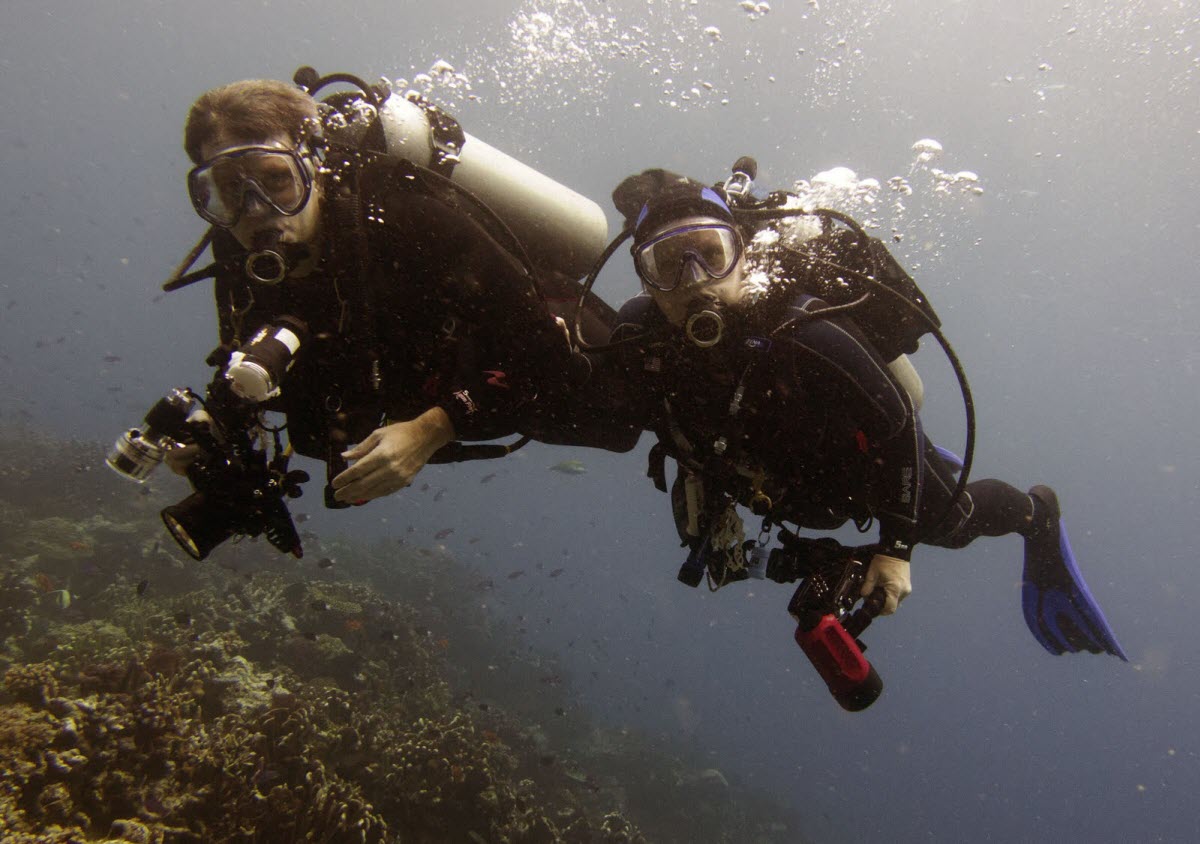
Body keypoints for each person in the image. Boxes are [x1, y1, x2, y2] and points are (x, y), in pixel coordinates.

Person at [605, 170, 1125, 660]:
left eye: (711, 254)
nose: (695, 281)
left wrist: (898, 549)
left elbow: (896, 420)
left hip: (871, 455)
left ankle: (1039, 514)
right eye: (666, 264)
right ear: (645, 282)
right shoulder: (638, 338)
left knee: (953, 524)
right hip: (780, 474)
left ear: (742, 254)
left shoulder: (807, 329)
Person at [165, 75, 623, 508]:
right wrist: (216, 429)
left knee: (630, 408)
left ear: (313, 164)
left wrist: (431, 429)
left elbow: (542, 348)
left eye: (276, 179)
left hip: (550, 367)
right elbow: (251, 348)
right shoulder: (235, 248)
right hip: (426, 377)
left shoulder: (408, 217)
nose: (256, 210)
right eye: (229, 190)